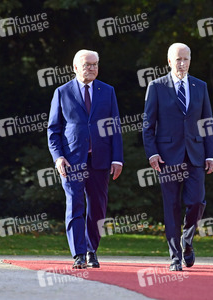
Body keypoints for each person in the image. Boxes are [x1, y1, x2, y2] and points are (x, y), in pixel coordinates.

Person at [142, 43, 213, 271]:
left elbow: (208, 123)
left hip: (195, 155)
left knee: (196, 201)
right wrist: (152, 153)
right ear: (169, 61)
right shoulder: (156, 87)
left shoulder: (200, 86)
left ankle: (187, 240)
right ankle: (175, 256)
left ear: (190, 60)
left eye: (185, 59)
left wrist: (211, 154)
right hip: (167, 157)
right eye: (178, 59)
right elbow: (148, 125)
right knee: (171, 206)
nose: (182, 63)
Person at [47, 49, 123, 269]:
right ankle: (79, 253)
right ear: (75, 67)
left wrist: (117, 158)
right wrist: (58, 157)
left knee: (98, 208)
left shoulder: (107, 91)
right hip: (71, 160)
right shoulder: (62, 92)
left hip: (101, 160)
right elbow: (53, 130)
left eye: (95, 64)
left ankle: (92, 250)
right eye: (87, 64)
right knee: (75, 205)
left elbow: (114, 127)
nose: (91, 68)